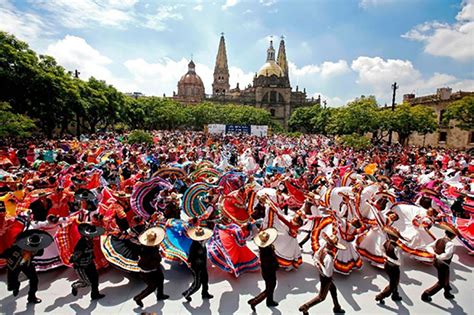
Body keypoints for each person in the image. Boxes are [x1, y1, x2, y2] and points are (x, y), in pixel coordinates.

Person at [299, 232, 346, 315]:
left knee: (333, 289)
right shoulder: (329, 258)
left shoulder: (323, 248)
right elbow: (328, 274)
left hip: (322, 273)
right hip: (326, 277)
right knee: (321, 297)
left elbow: (316, 256)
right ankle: (306, 307)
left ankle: (337, 306)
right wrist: (329, 276)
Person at [2, 229, 53, 303]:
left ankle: (31, 297)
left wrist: (38, 248)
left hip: (27, 264)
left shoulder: (37, 248)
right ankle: (16, 286)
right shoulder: (18, 244)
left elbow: (40, 253)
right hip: (14, 264)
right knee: (12, 285)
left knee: (34, 279)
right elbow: (6, 253)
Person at [421, 222, 458, 302]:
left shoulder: (439, 239)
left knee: (446, 276)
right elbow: (447, 256)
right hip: (443, 264)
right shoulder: (451, 244)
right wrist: (438, 256)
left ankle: (447, 291)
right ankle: (426, 294)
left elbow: (428, 247)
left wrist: (434, 254)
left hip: (436, 262)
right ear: (453, 236)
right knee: (441, 282)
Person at [133, 227, 169, 307]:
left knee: (161, 279)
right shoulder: (151, 251)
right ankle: (138, 298)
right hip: (148, 271)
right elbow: (156, 260)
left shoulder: (145, 246)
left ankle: (160, 295)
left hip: (153, 268)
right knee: (152, 287)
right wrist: (160, 256)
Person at [70, 223, 106, 300]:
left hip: (90, 263)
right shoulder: (81, 244)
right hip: (81, 266)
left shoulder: (90, 240)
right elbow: (75, 256)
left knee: (95, 278)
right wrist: (77, 262)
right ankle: (75, 286)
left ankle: (95, 294)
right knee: (86, 283)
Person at [247, 227, 279, 311]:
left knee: (269, 287)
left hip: (266, 272)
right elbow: (270, 264)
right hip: (269, 272)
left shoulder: (264, 249)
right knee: (270, 288)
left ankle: (270, 301)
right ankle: (255, 301)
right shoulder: (266, 252)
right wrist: (275, 266)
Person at [182, 226, 213, 301]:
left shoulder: (202, 242)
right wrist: (190, 263)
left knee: (205, 280)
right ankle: (187, 294)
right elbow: (190, 256)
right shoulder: (194, 245)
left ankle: (205, 293)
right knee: (197, 284)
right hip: (197, 267)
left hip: (203, 265)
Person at [375, 226, 406, 304]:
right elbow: (399, 262)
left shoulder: (386, 243)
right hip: (394, 266)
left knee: (394, 281)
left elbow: (381, 250)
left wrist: (386, 257)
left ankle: (395, 294)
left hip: (387, 264)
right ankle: (380, 296)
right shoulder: (397, 248)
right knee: (393, 283)